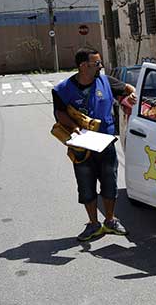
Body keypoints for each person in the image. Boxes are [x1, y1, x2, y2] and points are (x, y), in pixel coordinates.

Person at [52, 48, 137, 241]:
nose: (101, 66)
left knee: (110, 182)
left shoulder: (106, 81)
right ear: (83, 66)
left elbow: (128, 89)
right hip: (81, 146)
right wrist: (73, 128)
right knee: (85, 185)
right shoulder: (63, 89)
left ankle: (110, 220)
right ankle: (93, 224)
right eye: (96, 63)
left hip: (105, 143)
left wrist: (130, 95)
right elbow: (60, 113)